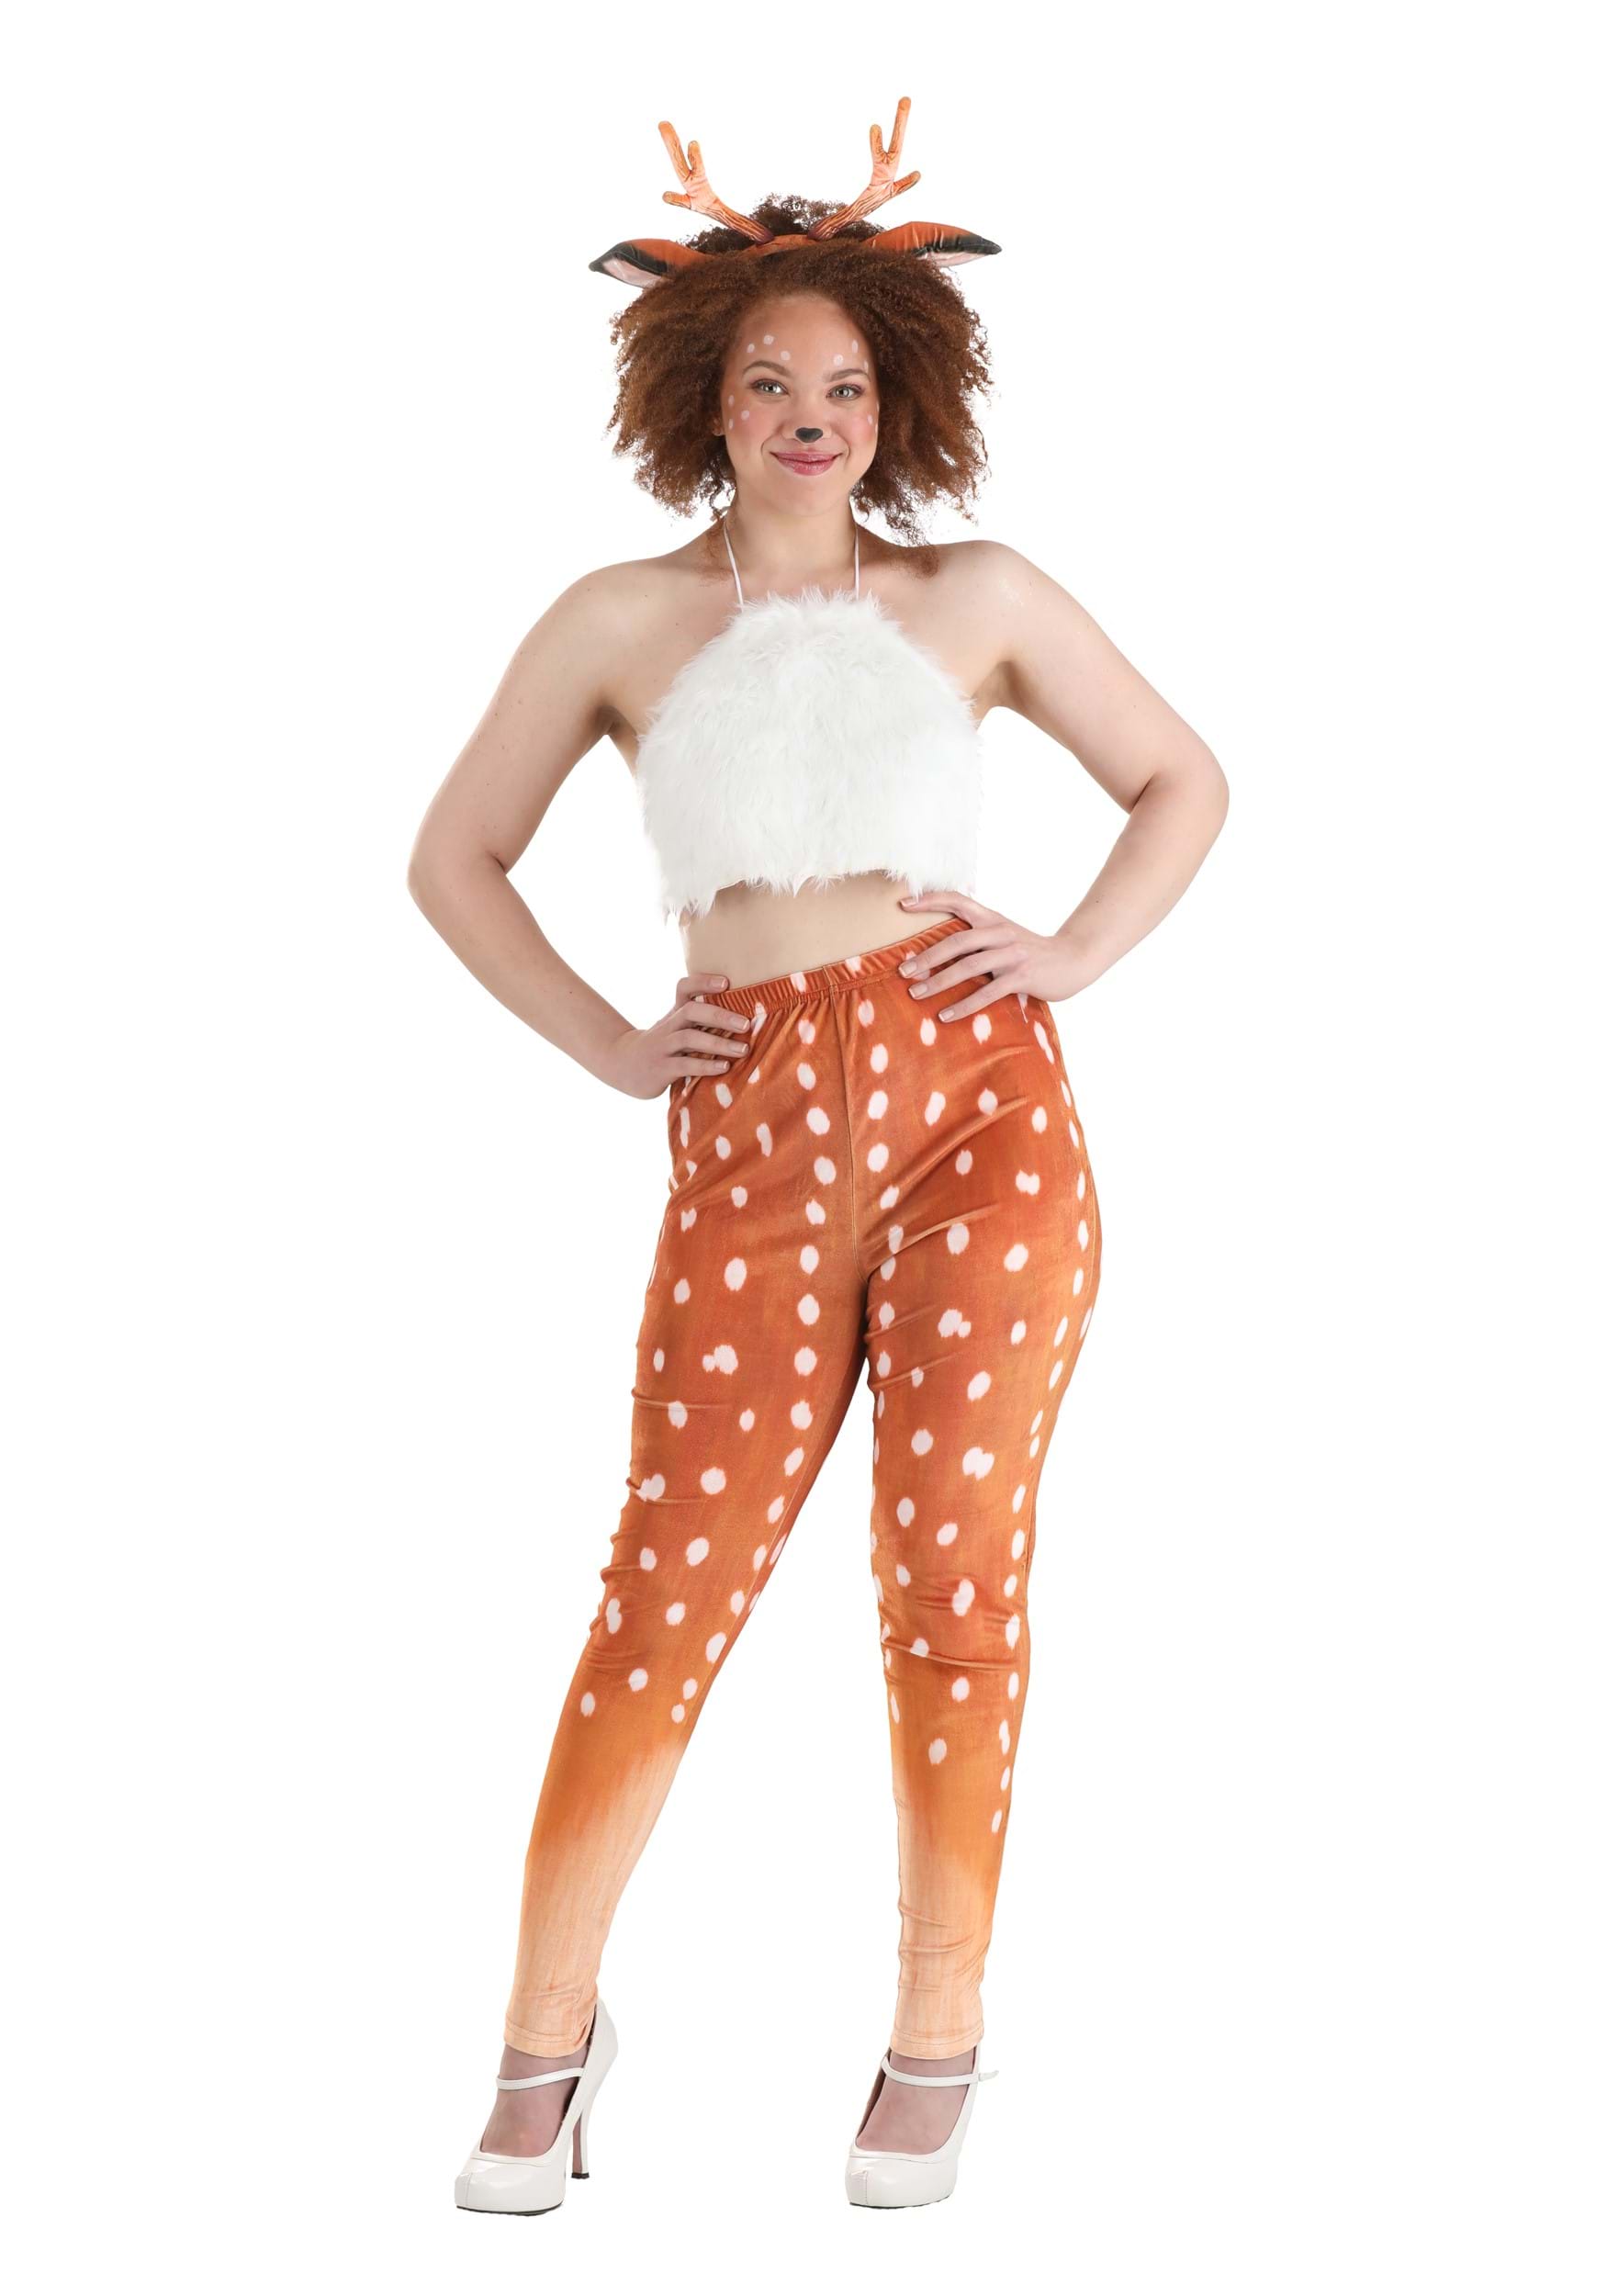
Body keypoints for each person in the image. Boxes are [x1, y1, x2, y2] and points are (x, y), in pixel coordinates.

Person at [407, 97, 1229, 2214]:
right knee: (660, 1592)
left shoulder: (976, 593)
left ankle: (935, 2029)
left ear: (896, 400)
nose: (806, 415)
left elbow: (1179, 779)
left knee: (951, 1578)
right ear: (703, 396)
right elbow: (453, 855)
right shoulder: (615, 619)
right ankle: (543, 2038)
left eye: (843, 385)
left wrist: (1067, 953)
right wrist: (613, 1043)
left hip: (982, 1124)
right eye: (767, 380)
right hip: (748, 1137)